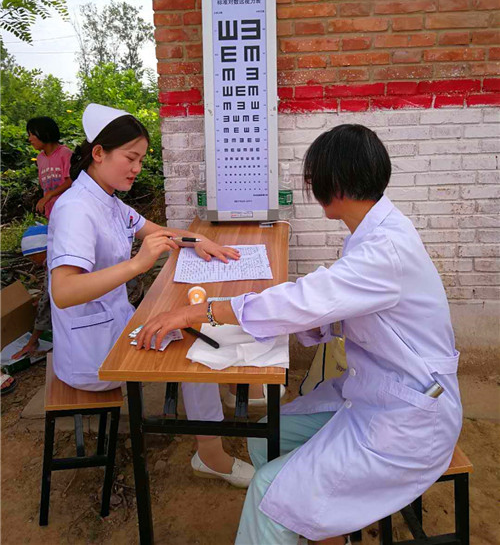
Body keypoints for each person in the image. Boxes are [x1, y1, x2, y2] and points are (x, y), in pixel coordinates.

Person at [136, 124, 462, 545]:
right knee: (265, 440)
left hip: (407, 420)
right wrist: (275, 315)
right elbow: (329, 305)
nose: (311, 187)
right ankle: (323, 529)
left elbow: (309, 299)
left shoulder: (385, 250)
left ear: (335, 184)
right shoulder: (375, 234)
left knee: (267, 492)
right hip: (372, 394)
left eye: (314, 178)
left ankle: (295, 516)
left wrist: (203, 311)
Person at [48, 103, 253, 488]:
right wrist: (138, 264)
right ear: (98, 153)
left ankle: (231, 395)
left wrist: (199, 241)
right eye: (131, 158)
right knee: (193, 344)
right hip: (93, 352)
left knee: (184, 320)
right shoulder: (76, 209)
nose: (137, 168)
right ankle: (211, 454)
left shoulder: (107, 200)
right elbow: (63, 291)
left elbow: (157, 231)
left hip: (113, 322)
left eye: (141, 159)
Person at [11, 225, 52, 359]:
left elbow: (46, 305)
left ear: (43, 250)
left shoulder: (54, 267)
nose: (32, 261)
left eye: (33, 256)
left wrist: (32, 342)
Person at [27, 116, 73, 218]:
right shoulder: (40, 158)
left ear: (45, 133)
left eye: (33, 134)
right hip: (51, 211)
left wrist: (50, 195)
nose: (30, 139)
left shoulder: (65, 153)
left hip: (67, 209)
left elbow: (71, 180)